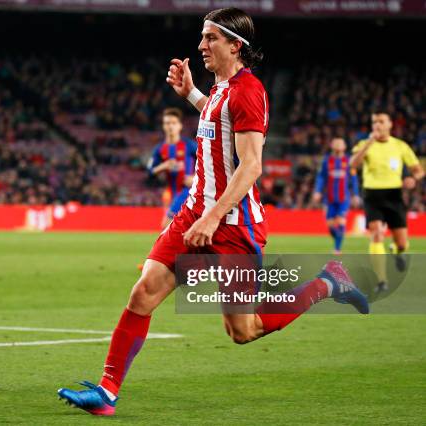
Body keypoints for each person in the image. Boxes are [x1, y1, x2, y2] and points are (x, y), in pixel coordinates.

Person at [58, 8, 369, 416]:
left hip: (233, 225)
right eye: (202, 37)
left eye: (210, 38)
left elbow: (251, 166)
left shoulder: (248, 90)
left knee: (243, 330)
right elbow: (216, 120)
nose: (201, 45)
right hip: (193, 213)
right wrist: (190, 94)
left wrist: (213, 217)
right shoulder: (221, 89)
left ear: (234, 45)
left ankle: (328, 283)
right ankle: (107, 391)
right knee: (144, 291)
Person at [350, 111, 424, 291]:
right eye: (375, 122)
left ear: (390, 124)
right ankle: (381, 280)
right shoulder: (363, 144)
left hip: (394, 196)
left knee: (402, 243)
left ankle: (398, 251)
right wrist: (369, 143)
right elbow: (353, 164)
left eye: (381, 121)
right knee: (376, 234)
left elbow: (418, 170)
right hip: (372, 195)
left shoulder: (400, 146)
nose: (377, 125)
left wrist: (413, 179)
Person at [148, 107, 197, 228]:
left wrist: (195, 178)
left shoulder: (189, 145)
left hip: (188, 191)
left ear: (180, 126)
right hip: (172, 193)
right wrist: (163, 166)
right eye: (167, 123)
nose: (170, 126)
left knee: (166, 225)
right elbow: (150, 171)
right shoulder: (159, 150)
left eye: (173, 123)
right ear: (163, 126)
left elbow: (208, 161)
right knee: (181, 229)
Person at [313, 137, 360, 254]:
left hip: (344, 198)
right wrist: (317, 191)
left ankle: (337, 249)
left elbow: (353, 179)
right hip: (329, 199)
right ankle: (339, 237)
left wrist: (355, 194)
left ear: (344, 146)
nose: (338, 144)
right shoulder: (326, 161)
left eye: (341, 142)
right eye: (336, 142)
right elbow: (321, 177)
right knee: (330, 226)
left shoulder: (349, 161)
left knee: (340, 221)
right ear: (331, 145)